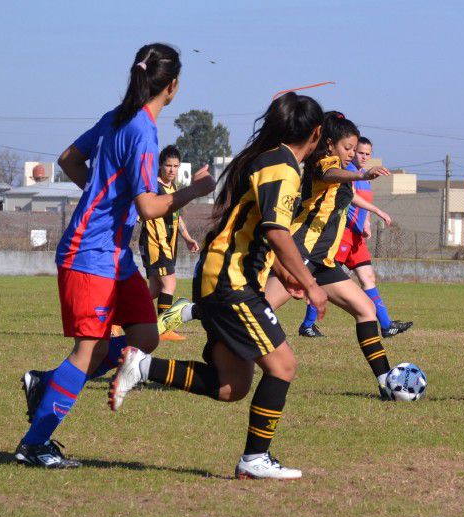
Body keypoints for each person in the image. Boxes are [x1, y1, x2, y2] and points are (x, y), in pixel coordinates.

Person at [16, 43, 216, 468]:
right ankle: (34, 444)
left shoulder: (116, 117)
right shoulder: (141, 128)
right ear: (173, 86)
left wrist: (100, 193)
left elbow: (69, 159)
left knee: (145, 336)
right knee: (88, 351)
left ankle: (46, 384)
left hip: (114, 255)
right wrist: (194, 191)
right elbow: (148, 207)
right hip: (89, 252)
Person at [109, 93, 328, 480]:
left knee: (232, 386)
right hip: (231, 281)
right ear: (315, 133)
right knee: (283, 366)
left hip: (225, 277)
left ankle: (142, 366)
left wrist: (284, 272)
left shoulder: (270, 160)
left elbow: (256, 230)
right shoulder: (282, 167)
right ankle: (255, 458)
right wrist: (311, 283)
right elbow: (277, 231)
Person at [262, 111, 398, 399]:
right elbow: (329, 174)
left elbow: (345, 193)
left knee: (366, 310)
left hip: (323, 262)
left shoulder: (343, 173)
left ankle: (387, 383)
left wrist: (372, 210)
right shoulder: (325, 163)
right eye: (347, 148)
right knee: (257, 311)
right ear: (329, 144)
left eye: (354, 148)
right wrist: (361, 174)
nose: (352, 154)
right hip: (300, 255)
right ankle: (191, 312)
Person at [298, 136, 413, 338]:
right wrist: (377, 210)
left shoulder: (363, 176)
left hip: (357, 236)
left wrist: (367, 220)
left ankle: (386, 325)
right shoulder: (347, 172)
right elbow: (349, 198)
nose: (362, 156)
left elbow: (357, 201)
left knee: (368, 277)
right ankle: (308, 324)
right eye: (358, 152)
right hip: (341, 235)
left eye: (367, 154)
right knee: (323, 275)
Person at [139, 144, 200, 341]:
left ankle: (116, 319)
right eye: (168, 166)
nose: (172, 170)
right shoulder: (152, 188)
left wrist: (188, 237)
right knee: (170, 284)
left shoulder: (172, 188)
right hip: (155, 244)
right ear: (160, 166)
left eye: (175, 166)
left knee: (156, 290)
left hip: (167, 244)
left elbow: (177, 217)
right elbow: (140, 213)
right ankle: (163, 330)